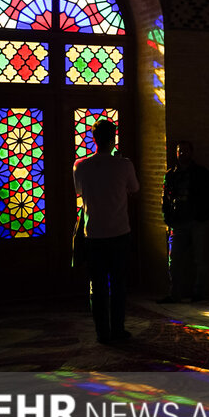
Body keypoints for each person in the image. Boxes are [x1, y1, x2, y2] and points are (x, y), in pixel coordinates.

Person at [73, 119, 139, 345]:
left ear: (94, 139)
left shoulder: (80, 165)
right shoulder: (124, 165)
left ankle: (102, 333)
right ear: (113, 139)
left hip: (93, 234)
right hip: (120, 232)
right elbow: (135, 188)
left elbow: (79, 191)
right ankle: (118, 329)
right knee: (119, 284)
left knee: (97, 285)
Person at [159, 139, 209, 302]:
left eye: (185, 151)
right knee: (174, 259)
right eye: (179, 151)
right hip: (178, 222)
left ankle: (198, 292)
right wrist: (168, 218)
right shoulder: (171, 174)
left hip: (198, 221)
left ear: (192, 152)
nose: (182, 154)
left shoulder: (201, 173)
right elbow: (166, 199)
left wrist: (200, 214)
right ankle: (175, 293)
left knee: (200, 258)